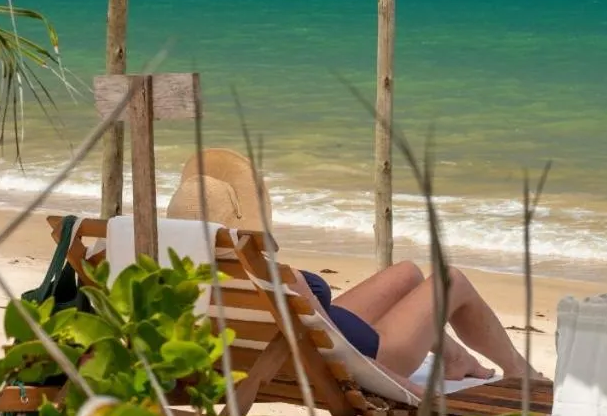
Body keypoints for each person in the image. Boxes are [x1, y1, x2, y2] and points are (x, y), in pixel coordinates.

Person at [167, 148, 540, 388]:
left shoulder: (185, 276)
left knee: (407, 273)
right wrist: (403, 389)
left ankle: (456, 357)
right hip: (369, 358)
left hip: (306, 348)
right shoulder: (277, 280)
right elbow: (342, 357)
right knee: (450, 280)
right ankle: (519, 370)